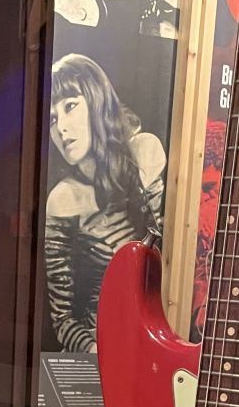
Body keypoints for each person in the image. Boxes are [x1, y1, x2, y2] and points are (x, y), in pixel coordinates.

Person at [43, 54, 166, 353]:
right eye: (53, 118)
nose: (61, 128)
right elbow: (63, 319)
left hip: (155, 341)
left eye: (70, 106)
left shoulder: (144, 153)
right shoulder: (61, 200)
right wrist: (103, 356)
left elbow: (165, 252)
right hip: (95, 353)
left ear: (96, 100)